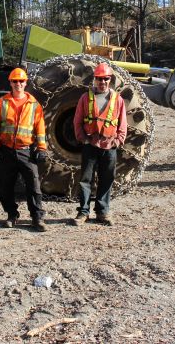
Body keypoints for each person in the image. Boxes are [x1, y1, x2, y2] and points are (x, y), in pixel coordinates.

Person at [0, 67, 48, 232]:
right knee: (5, 186)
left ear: (25, 82)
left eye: (21, 81)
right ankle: (11, 215)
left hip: (26, 151)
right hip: (6, 151)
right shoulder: (2, 103)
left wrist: (41, 148)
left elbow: (40, 128)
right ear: (10, 83)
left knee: (34, 186)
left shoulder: (34, 104)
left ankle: (37, 218)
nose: (18, 84)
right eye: (15, 81)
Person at [71, 62, 127, 226]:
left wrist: (118, 140)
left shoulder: (118, 100)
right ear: (94, 80)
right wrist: (83, 139)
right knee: (85, 180)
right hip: (90, 144)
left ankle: (102, 212)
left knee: (106, 179)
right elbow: (77, 121)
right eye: (99, 79)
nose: (102, 82)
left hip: (109, 146)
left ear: (110, 80)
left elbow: (122, 123)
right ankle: (83, 212)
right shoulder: (85, 98)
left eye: (105, 79)